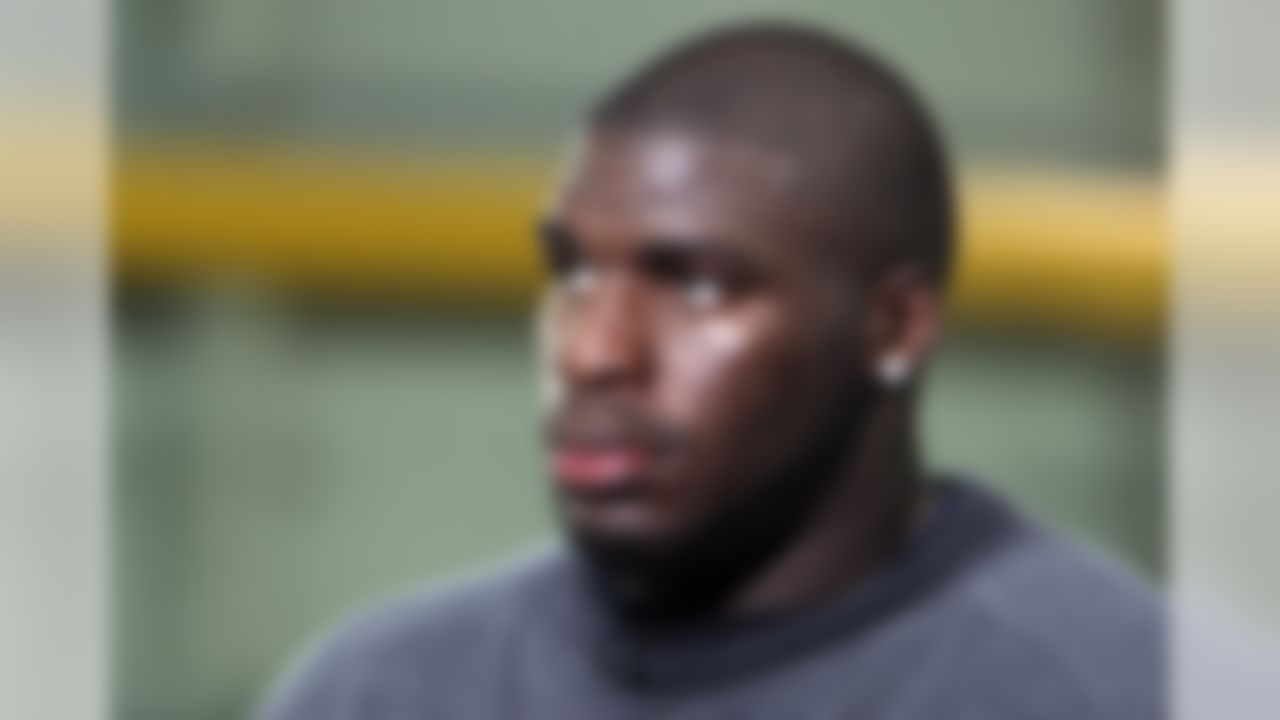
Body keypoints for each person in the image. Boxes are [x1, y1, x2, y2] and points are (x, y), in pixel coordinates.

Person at [259, 22, 1163, 720]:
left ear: (895, 325)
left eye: (694, 285)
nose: (592, 351)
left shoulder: (1123, 689)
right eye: (571, 270)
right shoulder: (382, 692)